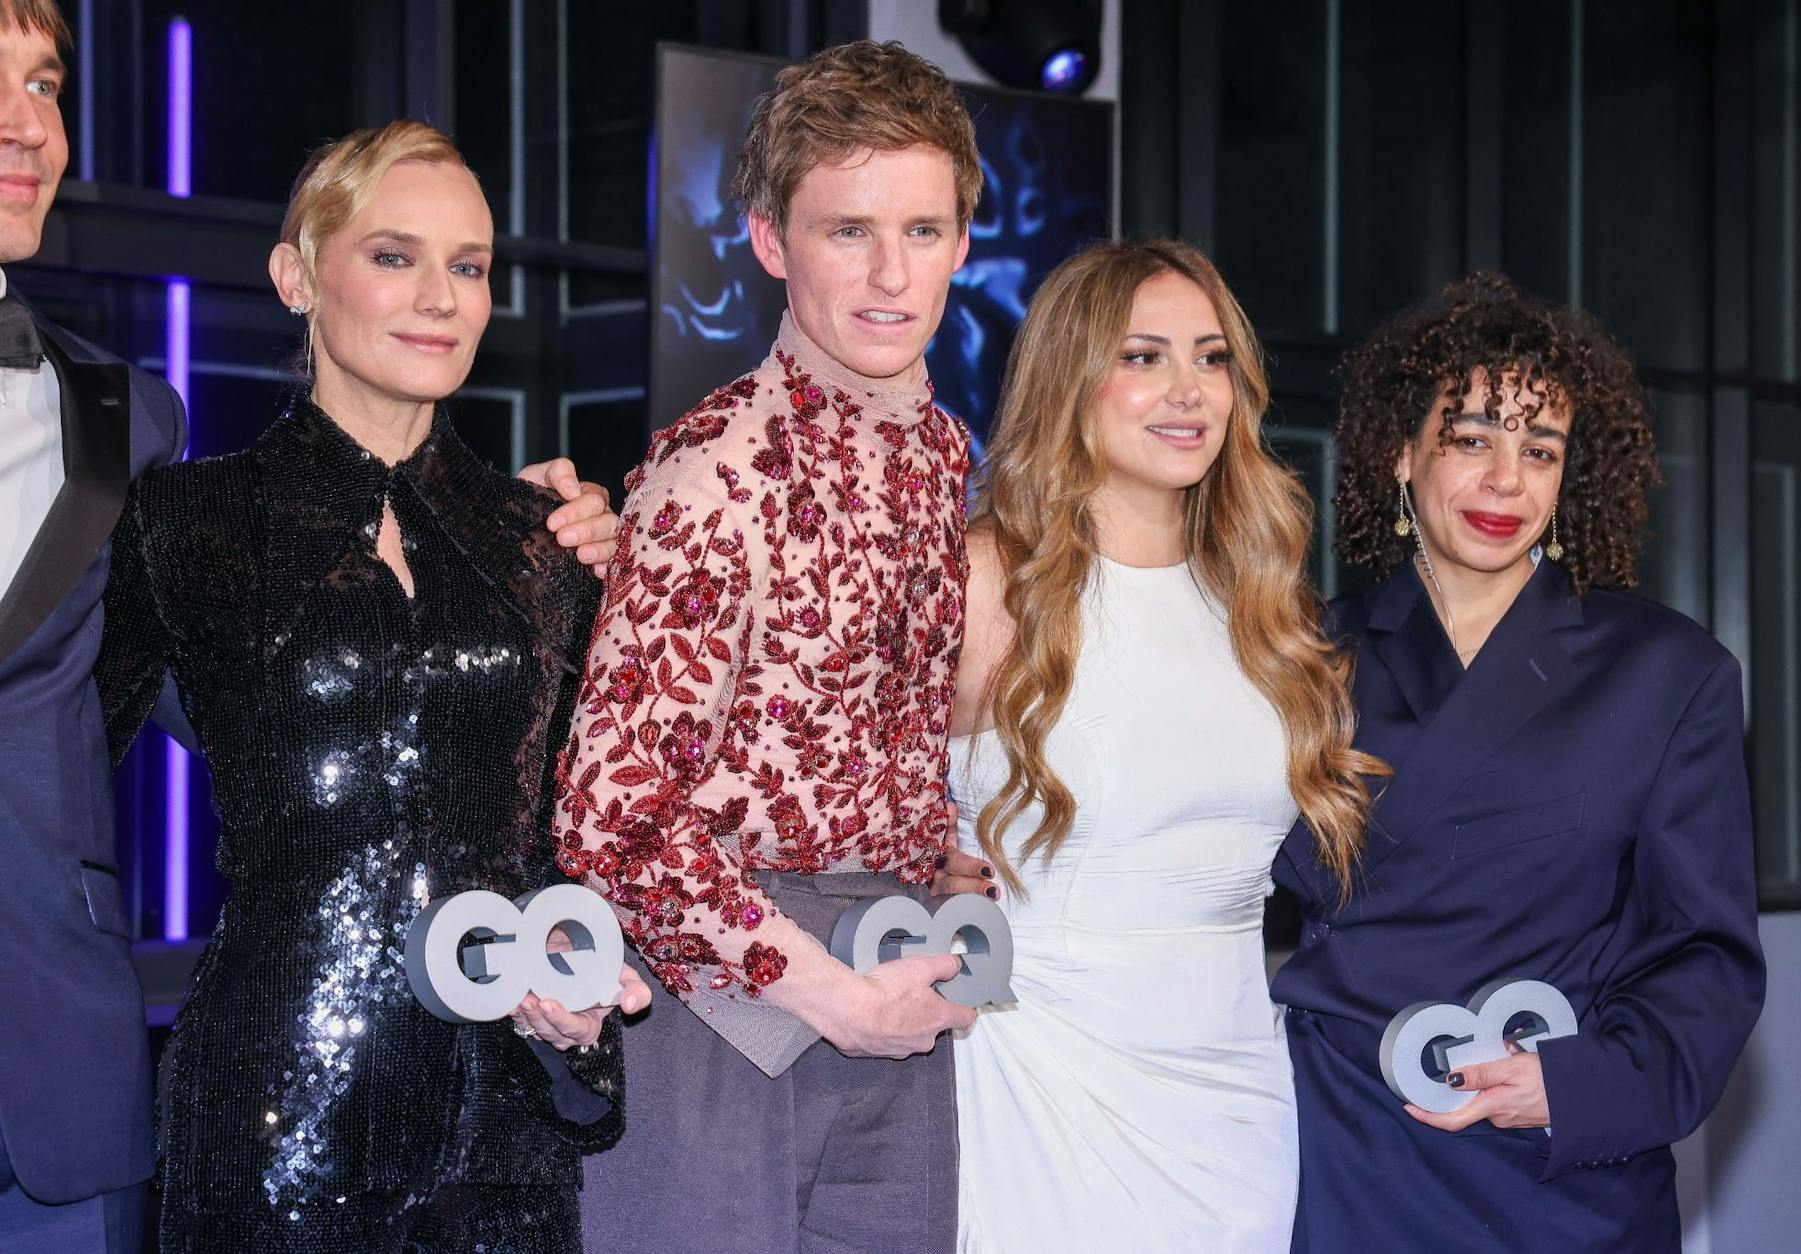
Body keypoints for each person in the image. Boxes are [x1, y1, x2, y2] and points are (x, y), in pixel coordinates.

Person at [91, 120, 651, 1253]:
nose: (440, 297)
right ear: (297, 276)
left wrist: (578, 982)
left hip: (499, 1125)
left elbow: (576, 831)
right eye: (395, 256)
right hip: (271, 1108)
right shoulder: (183, 523)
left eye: (468, 266)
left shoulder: (546, 540)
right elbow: (43, 785)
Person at [555, 41, 982, 1254]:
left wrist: (937, 862)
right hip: (721, 1009)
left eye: (921, 229)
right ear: (768, 240)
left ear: (961, 242)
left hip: (894, 983)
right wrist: (827, 991)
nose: (890, 274)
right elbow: (611, 818)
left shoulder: (942, 455)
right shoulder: (717, 469)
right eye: (848, 230)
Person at [1272, 273, 1765, 1251]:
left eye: (1539, 450)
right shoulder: (1300, 659)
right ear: (1400, 452)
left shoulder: (1666, 673)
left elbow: (1706, 957)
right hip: (1355, 1156)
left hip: (1561, 1180)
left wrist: (1575, 1084)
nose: (1507, 480)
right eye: (1471, 440)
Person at [940, 239, 1378, 1252]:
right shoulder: (987, 582)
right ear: (1069, 378)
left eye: (1210, 358)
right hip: (1036, 1080)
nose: (1188, 391)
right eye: (1142, 357)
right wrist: (920, 871)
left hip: (1234, 1105)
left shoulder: (1260, 599)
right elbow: (833, 799)